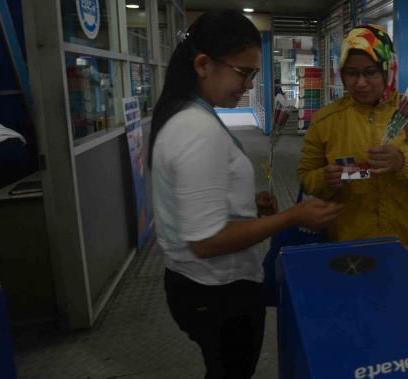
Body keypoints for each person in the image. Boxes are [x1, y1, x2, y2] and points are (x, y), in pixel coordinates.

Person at [148, 11, 343, 379]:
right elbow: (206, 241)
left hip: (194, 283)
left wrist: (246, 206)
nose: (250, 85)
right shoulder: (195, 129)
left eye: (253, 74)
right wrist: (291, 217)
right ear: (203, 64)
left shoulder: (185, 114)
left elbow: (190, 200)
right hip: (216, 289)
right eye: (243, 72)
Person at [297, 24, 408, 265]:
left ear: (388, 68)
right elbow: (306, 176)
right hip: (348, 248)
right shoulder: (326, 119)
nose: (360, 83)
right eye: (351, 73)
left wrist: (402, 162)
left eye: (370, 72)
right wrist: (324, 180)